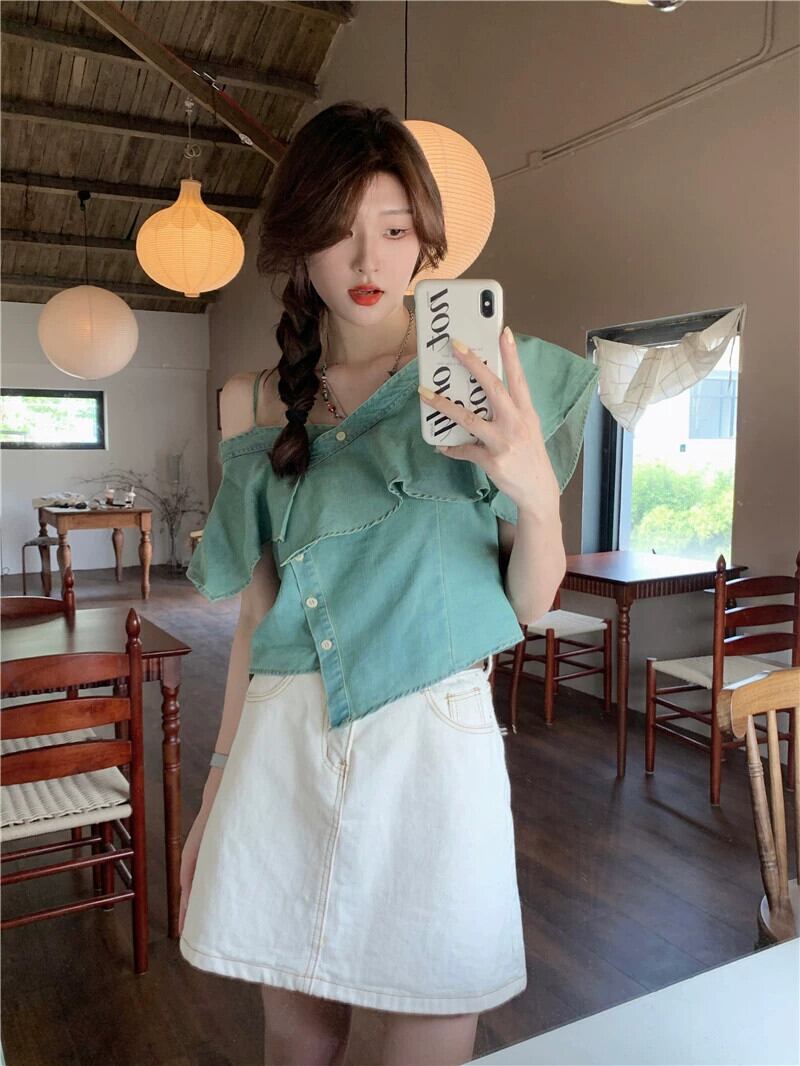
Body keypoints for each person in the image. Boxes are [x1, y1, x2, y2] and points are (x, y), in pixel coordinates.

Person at [178, 102, 597, 1066]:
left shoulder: (488, 377)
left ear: (427, 241)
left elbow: (528, 602)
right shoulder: (252, 401)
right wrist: (216, 787)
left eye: (397, 230)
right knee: (297, 1038)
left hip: (433, 748)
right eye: (340, 230)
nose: (369, 261)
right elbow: (256, 615)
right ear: (301, 243)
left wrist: (536, 494)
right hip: (284, 741)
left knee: (433, 1027)